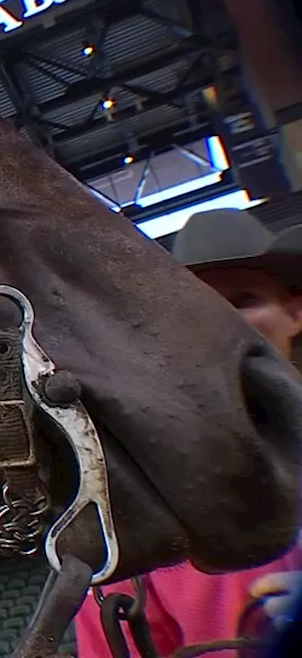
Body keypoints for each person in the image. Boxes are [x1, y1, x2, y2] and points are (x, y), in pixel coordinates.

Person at [73, 208, 302, 658]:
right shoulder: (137, 492)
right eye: (195, 305)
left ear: (296, 313)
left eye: (243, 299)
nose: (217, 320)